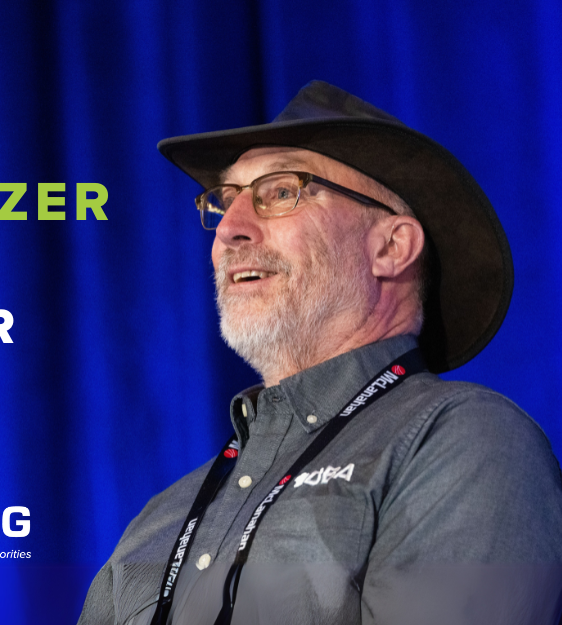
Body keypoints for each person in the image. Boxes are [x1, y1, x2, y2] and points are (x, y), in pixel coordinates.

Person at [77, 81, 562, 625]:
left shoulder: (462, 440)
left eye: (281, 192)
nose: (229, 230)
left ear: (391, 247)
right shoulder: (160, 520)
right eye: (225, 201)